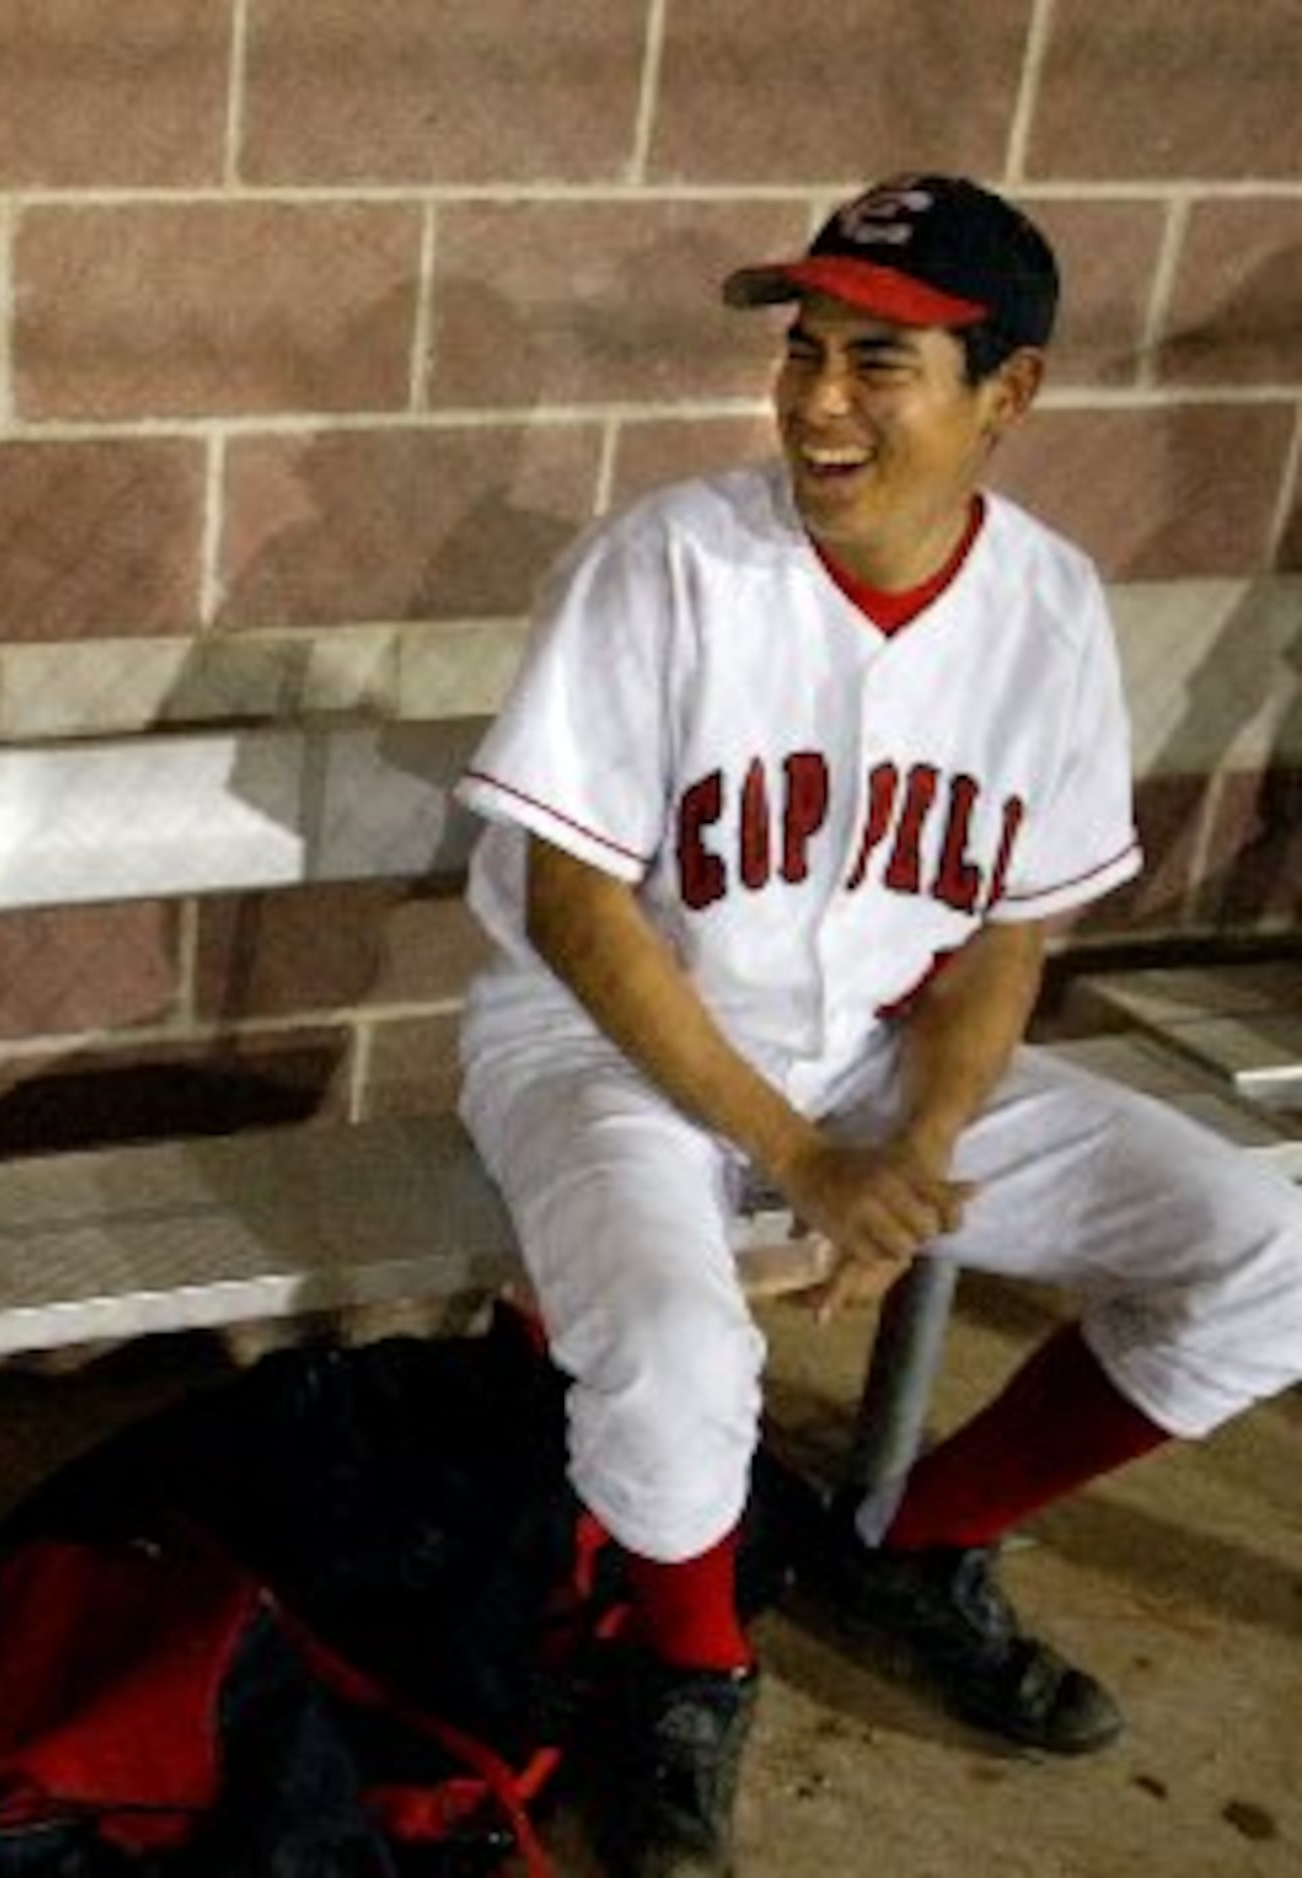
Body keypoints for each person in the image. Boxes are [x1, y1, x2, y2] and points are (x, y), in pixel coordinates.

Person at [450, 173, 1302, 1877]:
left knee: (1272, 1244)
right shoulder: (668, 564)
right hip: (603, 1052)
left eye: (879, 362)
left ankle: (908, 1543)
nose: (817, 401)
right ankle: (685, 1666)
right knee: (686, 1362)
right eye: (806, 350)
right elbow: (575, 909)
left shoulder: (1048, 606)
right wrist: (807, 1165)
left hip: (870, 1063)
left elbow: (1009, 931)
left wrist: (911, 1147)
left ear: (1012, 393)